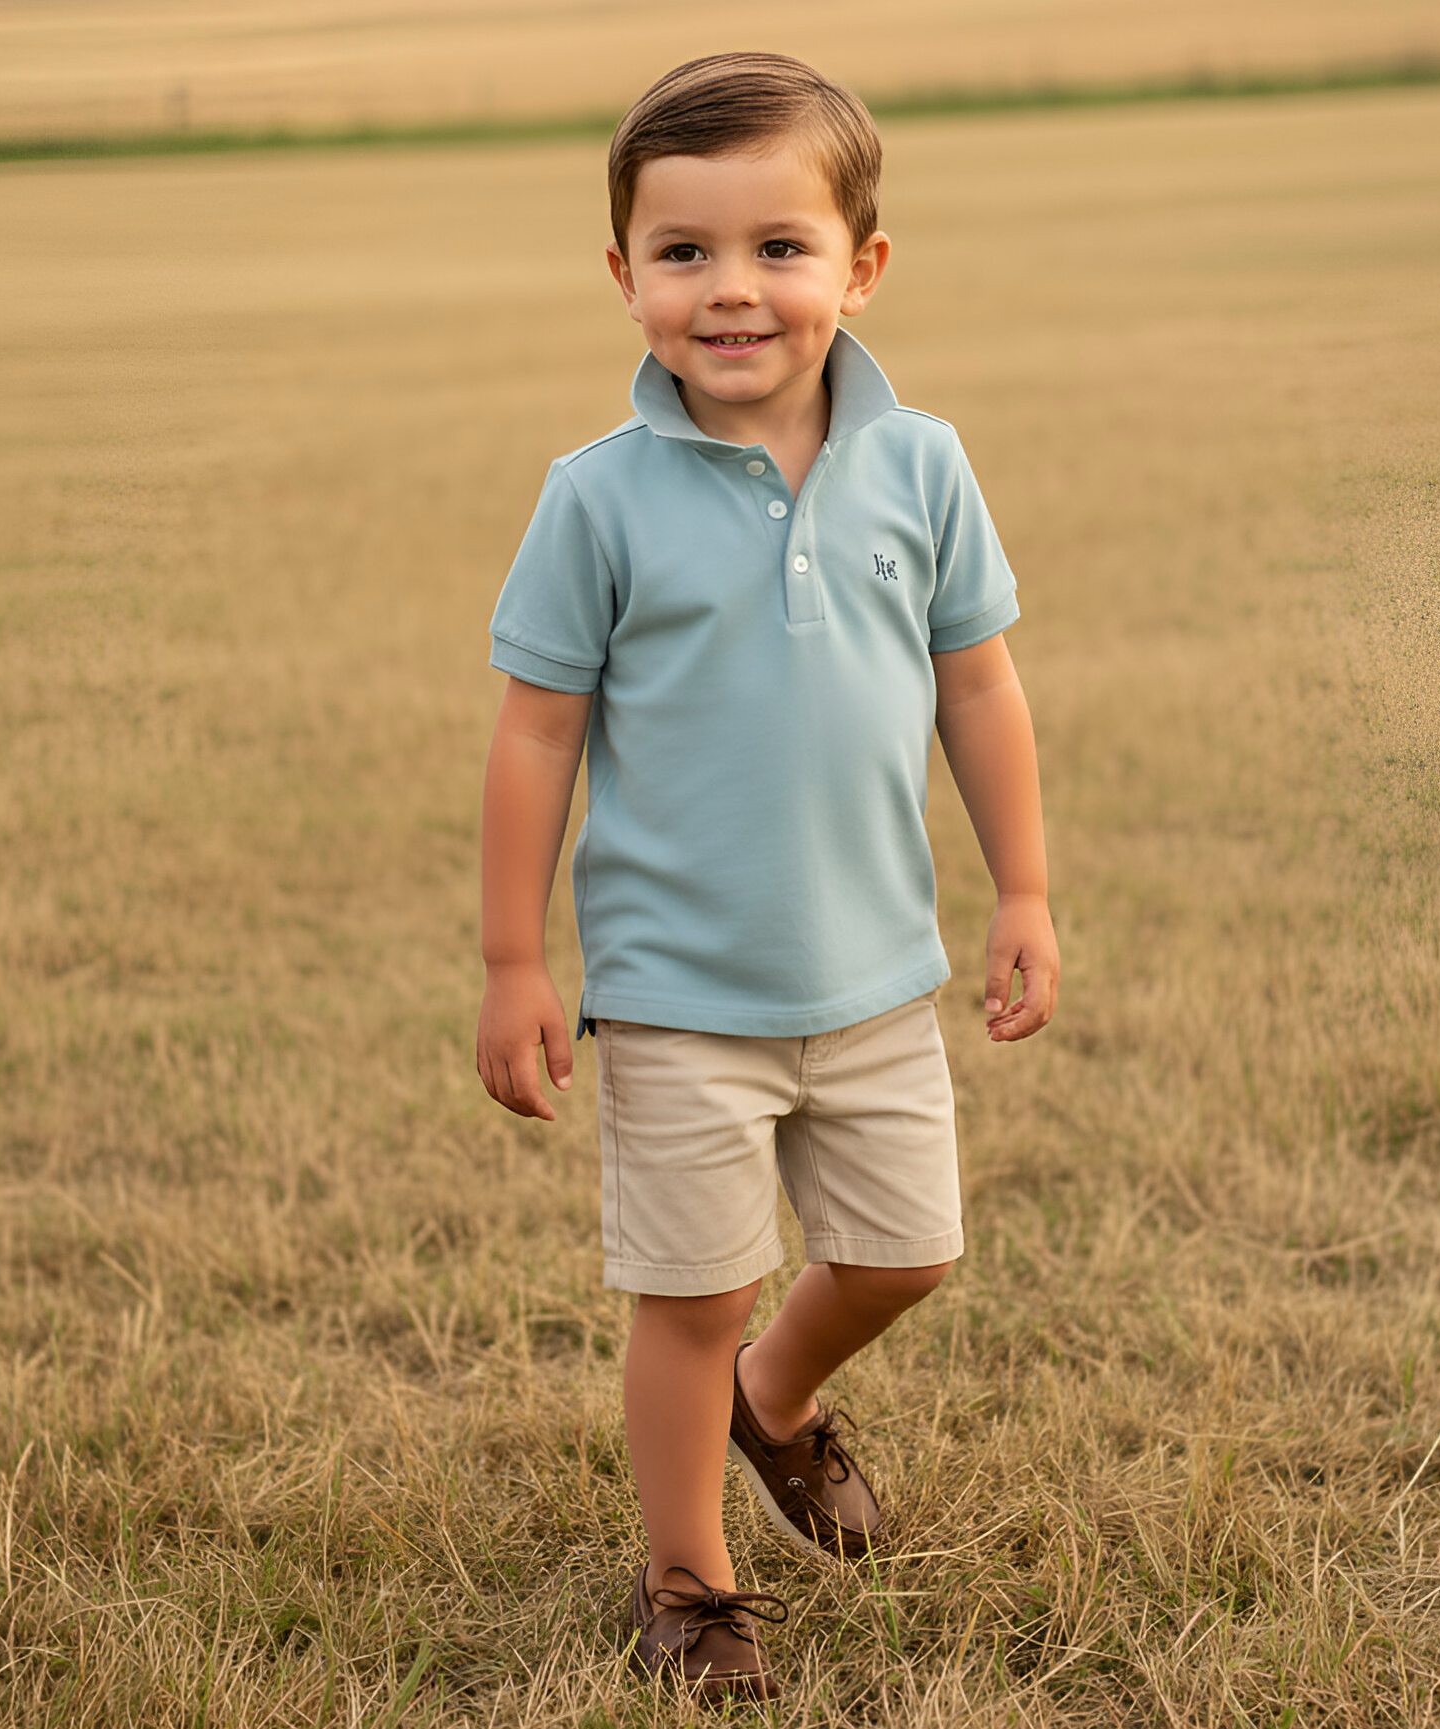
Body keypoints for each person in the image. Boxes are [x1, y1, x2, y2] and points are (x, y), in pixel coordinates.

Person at [475, 51, 1058, 1703]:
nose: (731, 289)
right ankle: (689, 1582)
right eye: (686, 252)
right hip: (678, 990)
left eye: (779, 248)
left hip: (876, 969)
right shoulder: (597, 498)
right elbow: (536, 736)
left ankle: (774, 1397)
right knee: (693, 1291)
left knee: (908, 1251)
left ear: (860, 267)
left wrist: (1022, 891)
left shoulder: (921, 464)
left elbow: (977, 689)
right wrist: (515, 962)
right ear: (625, 274)